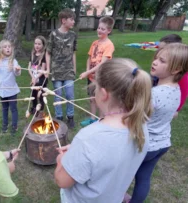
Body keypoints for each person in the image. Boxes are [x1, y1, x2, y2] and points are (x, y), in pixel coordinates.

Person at [54, 58, 152, 203]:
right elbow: (110, 155)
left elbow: (62, 181)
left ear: (104, 93)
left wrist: (61, 160)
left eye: (96, 86)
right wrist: (77, 151)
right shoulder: (141, 126)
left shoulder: (88, 138)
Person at [128, 43, 188, 203]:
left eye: (162, 61)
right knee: (143, 178)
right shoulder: (176, 90)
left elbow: (134, 116)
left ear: (175, 70)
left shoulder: (154, 94)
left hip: (144, 146)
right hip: (162, 144)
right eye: (156, 58)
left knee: (122, 174)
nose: (154, 62)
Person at [79, 16, 115, 127]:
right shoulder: (94, 43)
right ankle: (92, 118)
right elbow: (89, 58)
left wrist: (88, 72)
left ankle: (101, 120)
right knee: (91, 98)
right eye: (98, 28)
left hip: (101, 77)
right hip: (91, 77)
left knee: (100, 99)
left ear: (109, 30)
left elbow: (102, 63)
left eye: (103, 29)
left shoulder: (109, 45)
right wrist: (87, 71)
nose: (99, 30)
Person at [46, 8, 77, 128]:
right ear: (63, 20)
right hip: (56, 71)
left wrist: (74, 68)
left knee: (69, 94)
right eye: (71, 19)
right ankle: (59, 117)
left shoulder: (73, 35)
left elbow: (73, 52)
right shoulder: (53, 34)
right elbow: (48, 53)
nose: (73, 22)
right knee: (58, 94)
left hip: (68, 70)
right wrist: (48, 69)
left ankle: (70, 117)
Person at [0, 40, 21, 135]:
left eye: (9, 46)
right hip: (2, 90)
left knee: (13, 108)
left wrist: (16, 69)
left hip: (12, 90)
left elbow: (17, 74)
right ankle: (5, 124)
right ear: (1, 49)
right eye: (5, 47)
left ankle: (14, 125)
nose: (8, 48)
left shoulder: (13, 61)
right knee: (4, 108)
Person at [157, 34, 188, 114]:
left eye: (163, 49)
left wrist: (175, 110)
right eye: (158, 49)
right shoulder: (161, 65)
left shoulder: (183, 77)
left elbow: (183, 94)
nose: (159, 52)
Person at [28, 35, 48, 118]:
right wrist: (33, 77)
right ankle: (34, 107)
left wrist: (36, 78)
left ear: (43, 45)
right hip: (34, 77)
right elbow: (29, 68)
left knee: (40, 94)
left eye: (39, 44)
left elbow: (43, 70)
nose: (37, 45)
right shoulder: (32, 54)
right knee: (33, 93)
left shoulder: (44, 55)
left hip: (41, 78)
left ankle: (40, 109)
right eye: (35, 43)